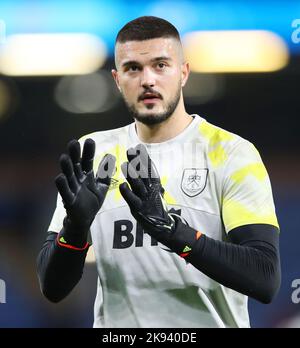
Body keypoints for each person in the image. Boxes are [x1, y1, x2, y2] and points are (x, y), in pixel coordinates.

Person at [37, 16, 281, 328]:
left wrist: (171, 230)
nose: (148, 80)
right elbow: (52, 288)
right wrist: (75, 228)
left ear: (183, 72)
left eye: (161, 65)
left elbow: (264, 278)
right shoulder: (95, 153)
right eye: (133, 69)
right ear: (117, 78)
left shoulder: (231, 153)